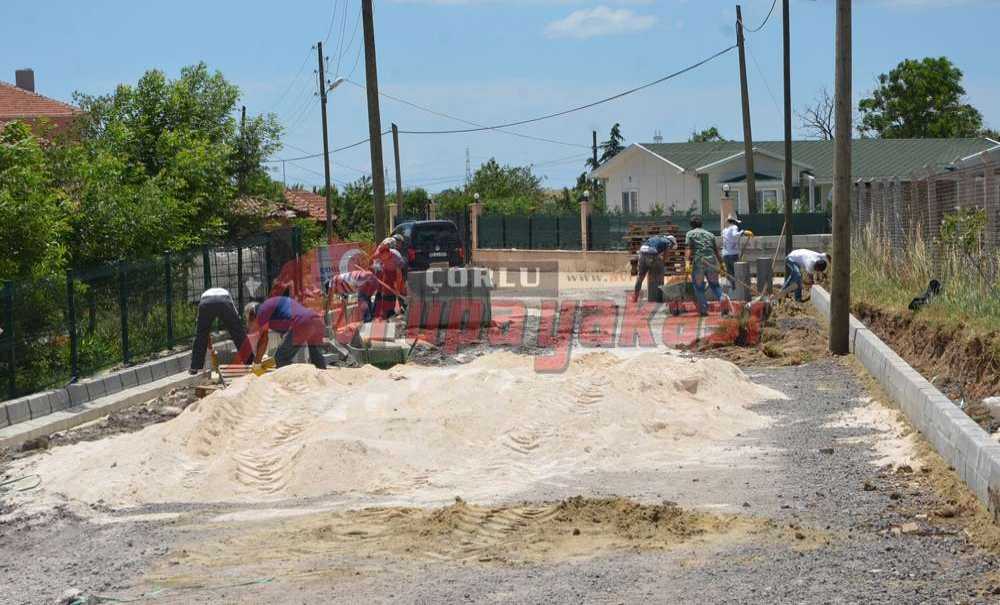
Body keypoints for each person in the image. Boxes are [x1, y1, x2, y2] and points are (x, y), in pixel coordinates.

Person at [246, 295, 328, 369]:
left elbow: (264, 339)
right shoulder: (272, 305)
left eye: (250, 321)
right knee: (316, 356)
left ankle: (301, 376)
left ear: (252, 314)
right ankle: (323, 379)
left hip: (301, 323)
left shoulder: (261, 311)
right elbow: (287, 319)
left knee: (281, 359)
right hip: (314, 319)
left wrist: (257, 363)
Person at [190, 287, 253, 374]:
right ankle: (250, 361)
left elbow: (202, 330)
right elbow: (237, 317)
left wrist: (209, 346)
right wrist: (237, 323)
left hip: (206, 302)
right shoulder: (227, 293)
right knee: (237, 331)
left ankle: (194, 367)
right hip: (224, 300)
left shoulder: (203, 297)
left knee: (200, 333)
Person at [684, 215, 728, 317]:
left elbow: (688, 249)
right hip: (712, 261)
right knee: (715, 285)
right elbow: (716, 251)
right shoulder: (710, 234)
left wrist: (687, 263)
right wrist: (722, 264)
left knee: (699, 287)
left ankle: (704, 310)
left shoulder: (690, 234)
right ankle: (722, 300)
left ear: (691, 225)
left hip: (700, 261)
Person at [633, 234, 677, 303]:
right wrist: (662, 264)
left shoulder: (657, 237)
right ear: (672, 242)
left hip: (642, 252)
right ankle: (658, 297)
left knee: (640, 277)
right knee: (660, 272)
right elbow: (665, 257)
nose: (671, 248)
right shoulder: (668, 242)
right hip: (652, 253)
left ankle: (635, 297)